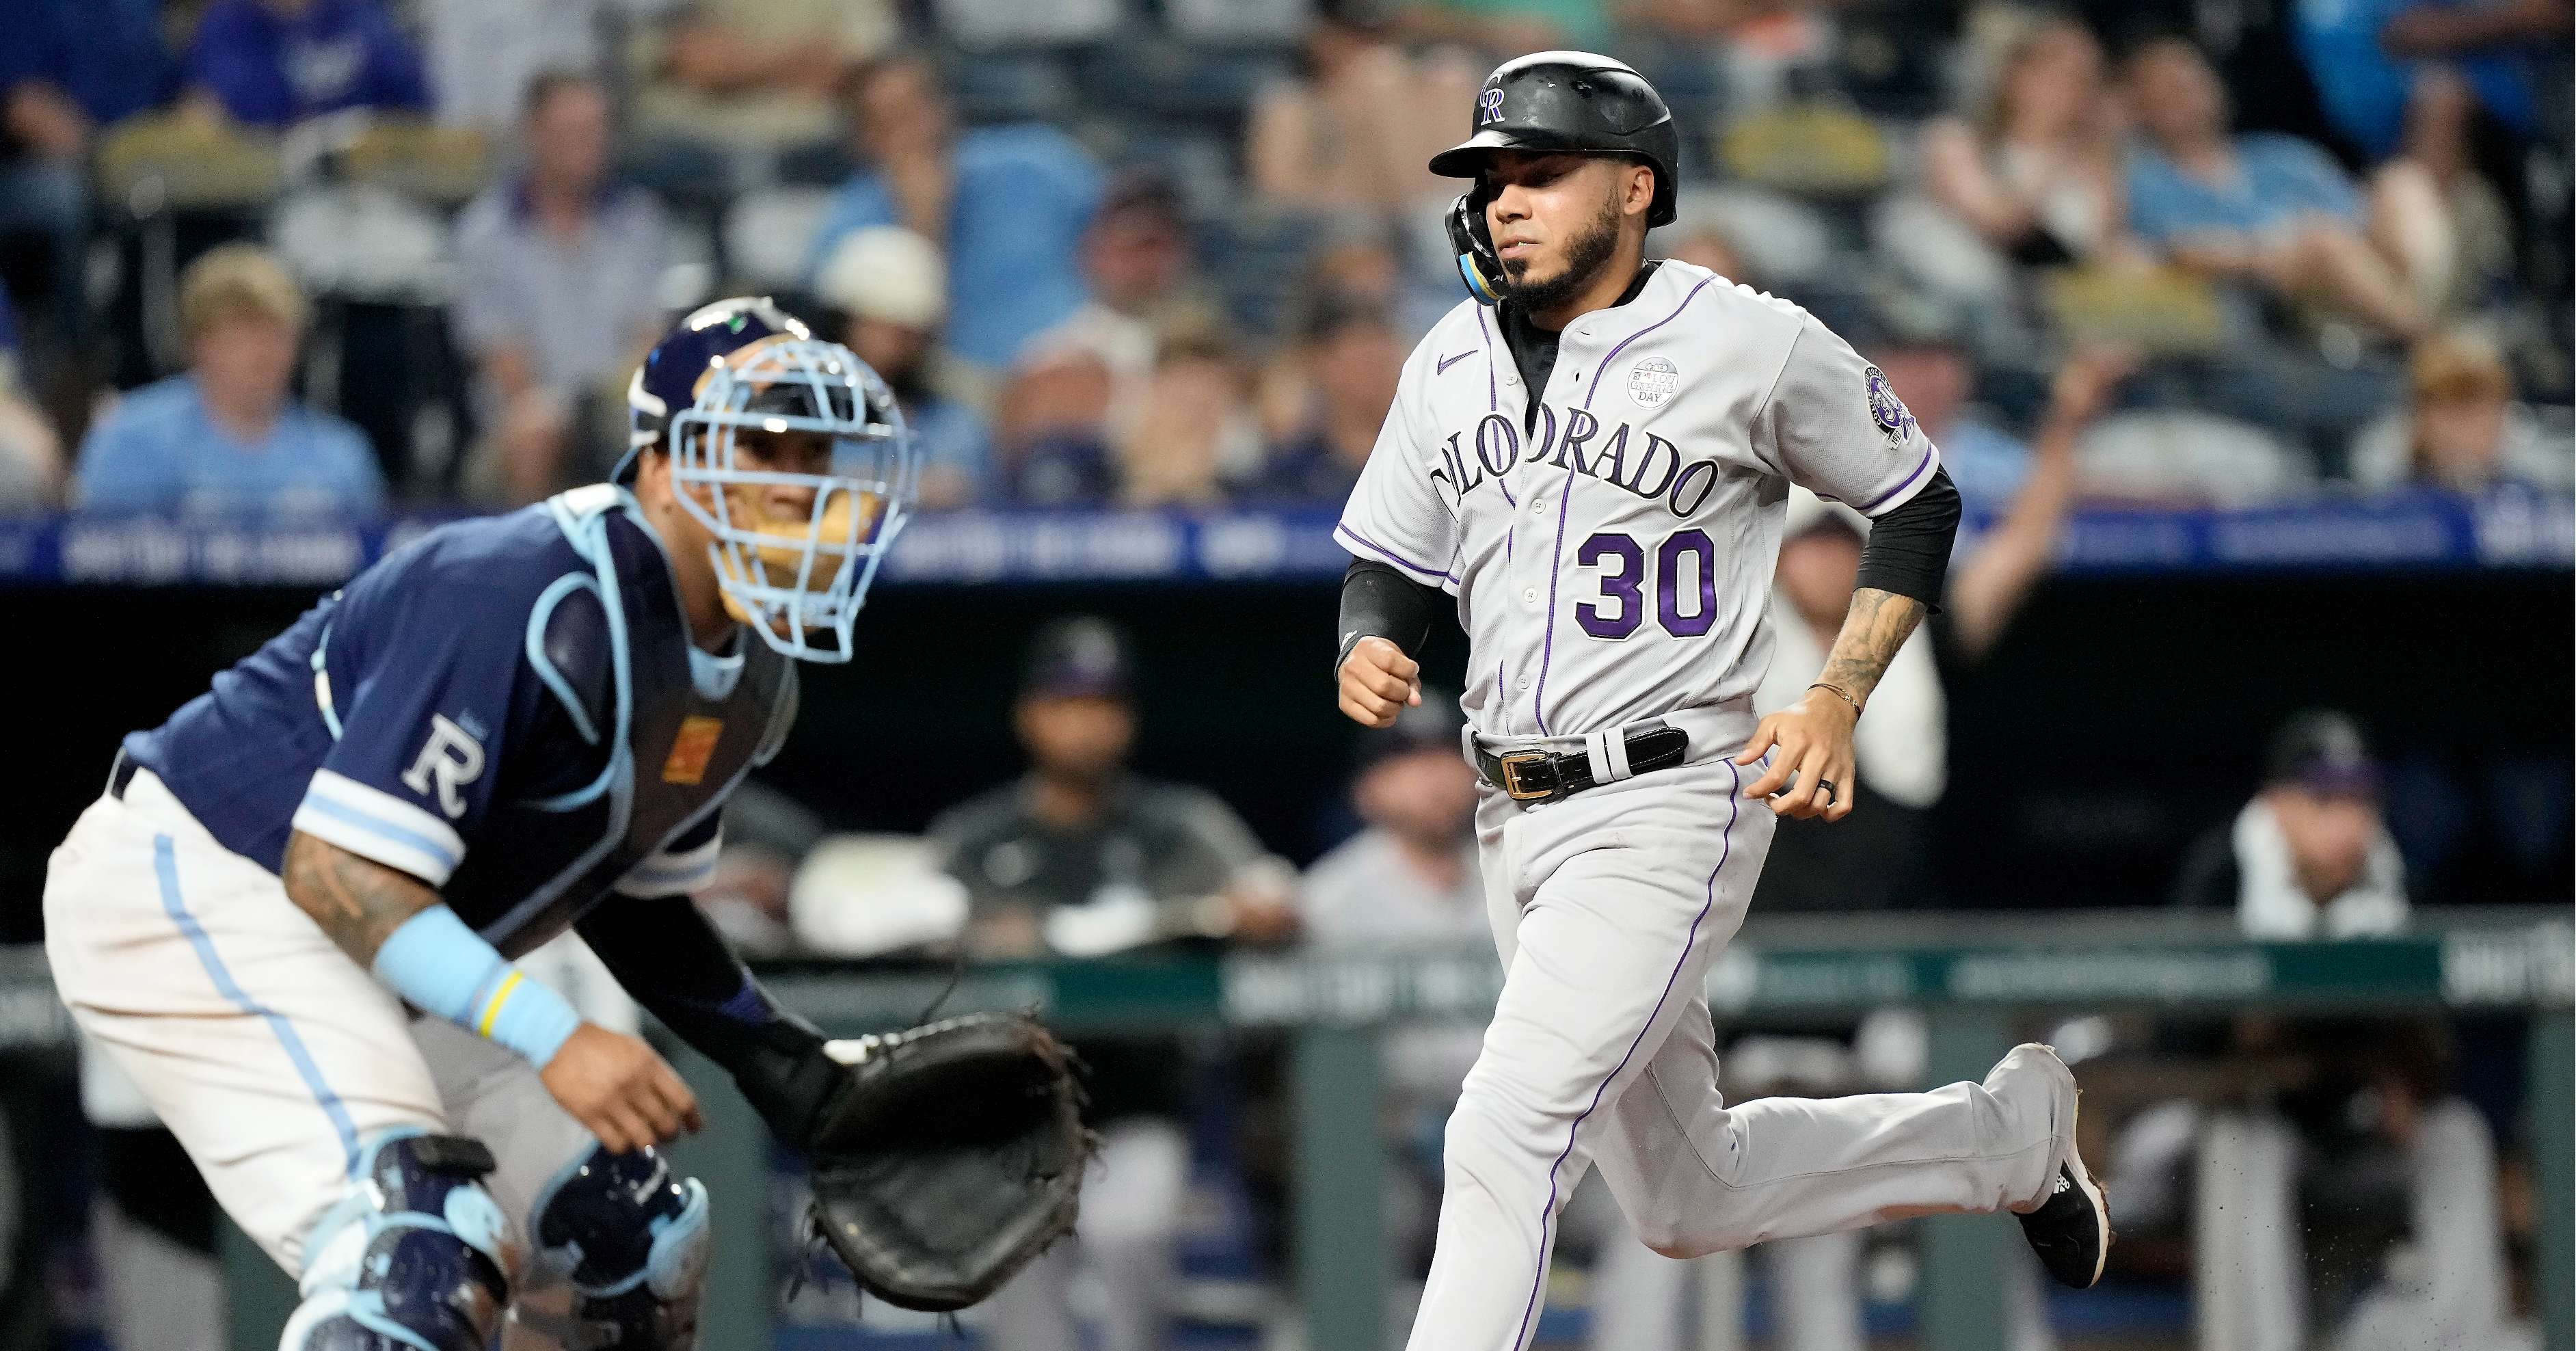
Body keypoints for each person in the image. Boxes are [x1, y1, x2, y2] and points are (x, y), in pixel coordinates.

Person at [1328, 54, 2108, 1350]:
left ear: (1633, 188)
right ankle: (2000, 1138)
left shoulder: (1742, 338)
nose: (1502, 200)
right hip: (1508, 814)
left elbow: (1914, 497)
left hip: (1661, 802)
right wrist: (1368, 638)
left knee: (1505, 1127)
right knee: (1689, 1195)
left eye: (1537, 172)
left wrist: (1834, 698)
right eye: (1488, 178)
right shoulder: (1445, 360)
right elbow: (1388, 561)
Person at [43, 298, 929, 1348]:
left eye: (822, 449)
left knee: (629, 1244)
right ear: (666, 462)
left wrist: (775, 1055)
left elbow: (634, 902)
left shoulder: (750, 680)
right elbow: (339, 874)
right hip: (206, 885)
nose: (803, 478)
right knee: (412, 1254)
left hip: (384, 942)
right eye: (770, 442)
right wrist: (554, 1036)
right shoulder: (518, 587)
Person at [928, 616, 1296, 1351]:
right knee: (1020, 1267)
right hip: (1009, 1109)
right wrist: (969, 935)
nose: (1088, 724)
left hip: (1138, 1098)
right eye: (1068, 703)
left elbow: (1269, 892)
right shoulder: (977, 836)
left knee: (1133, 1232)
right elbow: (901, 921)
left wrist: (1261, 907)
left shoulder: (1180, 826)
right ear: (1030, 715)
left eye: (1105, 704)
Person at [2119, 35, 2445, 340]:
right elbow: (2179, 250)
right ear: (2142, 109)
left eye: (2190, 81)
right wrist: (2272, 250)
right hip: (2274, 292)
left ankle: (2418, 316)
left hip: (2360, 262)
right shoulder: (2146, 182)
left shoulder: (2281, 155)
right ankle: (2429, 337)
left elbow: (2359, 220)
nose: (2185, 95)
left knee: (2403, 180)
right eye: (2168, 90)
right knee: (2322, 244)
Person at [453, 71, 672, 505]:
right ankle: (533, 567)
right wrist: (573, 411)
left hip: (619, 404)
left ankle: (650, 569)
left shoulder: (641, 222)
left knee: (667, 431)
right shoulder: (485, 234)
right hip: (522, 417)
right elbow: (506, 367)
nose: (587, 146)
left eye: (595, 130)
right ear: (531, 133)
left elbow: (650, 343)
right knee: (536, 430)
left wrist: (611, 403)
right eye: (571, 132)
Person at [805, 53, 1101, 371]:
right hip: (951, 389)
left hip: (1080, 358)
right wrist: (923, 222)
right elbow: (889, 350)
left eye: (918, 107)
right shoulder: (848, 229)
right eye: (891, 121)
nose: (915, 132)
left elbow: (1126, 247)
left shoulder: (1037, 165)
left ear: (945, 107)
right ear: (863, 141)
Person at [74, 244, 384, 515]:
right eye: (243, 335)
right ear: (199, 343)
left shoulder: (341, 455)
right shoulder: (131, 436)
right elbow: (95, 559)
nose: (263, 352)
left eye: (277, 333)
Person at [0, 0, 176, 338]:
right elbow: (26, 108)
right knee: (65, 197)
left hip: (144, 157)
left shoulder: (140, 8)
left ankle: (160, 346)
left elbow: (177, 88)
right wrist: (109, 157)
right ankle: (80, 350)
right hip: (38, 169)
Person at [2171, 710, 2409, 933]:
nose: (2348, 822)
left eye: (2362, 799)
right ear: (2276, 802)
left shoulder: (2401, 874)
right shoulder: (2218, 877)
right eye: (2324, 799)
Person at [1922, 15, 2133, 267]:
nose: (2066, 87)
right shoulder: (1956, 141)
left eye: (2081, 78)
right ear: (2016, 72)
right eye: (2053, 69)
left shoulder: (2096, 161)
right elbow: (1995, 224)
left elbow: (2103, 249)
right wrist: (2050, 172)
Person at [817, 225, 994, 507]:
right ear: (845, 321)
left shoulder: (951, 424)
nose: (896, 342)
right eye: (879, 322)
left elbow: (962, 492)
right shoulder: (802, 416)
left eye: (909, 329)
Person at [2347, 328, 2573, 495]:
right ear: (2422, 415)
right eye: (2456, 411)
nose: (2470, 429)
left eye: (2484, 410)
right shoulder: (2382, 465)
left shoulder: (2534, 466)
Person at [1246, 295, 1406, 503]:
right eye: (1361, 361)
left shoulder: (1431, 457)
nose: (1375, 374)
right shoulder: (1291, 471)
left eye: (1382, 362)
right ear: (1321, 364)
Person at [183, 0, 431, 129]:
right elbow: (222, 114)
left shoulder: (358, 12)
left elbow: (413, 99)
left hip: (374, 188)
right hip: (264, 201)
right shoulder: (228, 24)